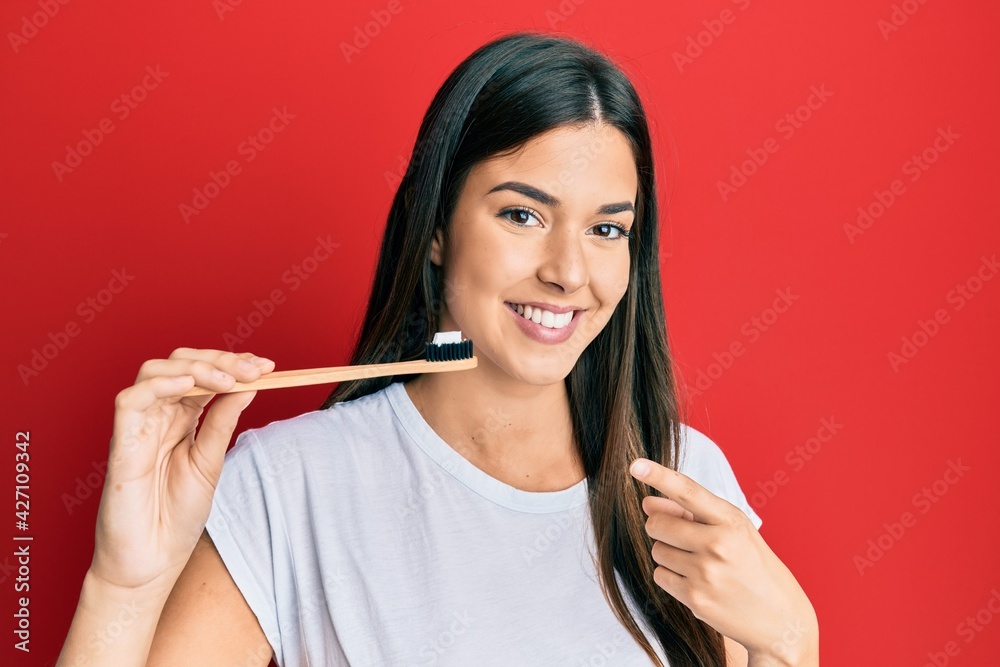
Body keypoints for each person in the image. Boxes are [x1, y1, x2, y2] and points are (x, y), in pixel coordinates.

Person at [57, 31, 818, 667]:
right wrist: (122, 586)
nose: (569, 273)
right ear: (436, 228)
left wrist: (790, 641)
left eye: (607, 228)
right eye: (522, 214)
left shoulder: (688, 479)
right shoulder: (287, 484)